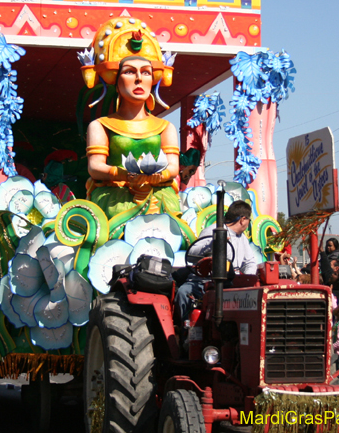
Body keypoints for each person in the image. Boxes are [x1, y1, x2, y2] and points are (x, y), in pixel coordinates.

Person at [84, 20, 180, 219]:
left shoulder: (165, 127)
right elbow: (95, 167)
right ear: (115, 82)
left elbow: (173, 167)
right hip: (115, 200)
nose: (139, 79)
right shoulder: (100, 126)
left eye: (145, 72)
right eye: (129, 72)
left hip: (159, 197)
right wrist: (124, 175)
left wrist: (156, 177)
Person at [173, 201, 257, 322]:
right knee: (184, 292)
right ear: (243, 220)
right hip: (204, 283)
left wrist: (246, 281)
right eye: (249, 220)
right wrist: (212, 243)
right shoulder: (212, 231)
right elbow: (192, 255)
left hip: (230, 284)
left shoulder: (242, 238)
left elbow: (250, 262)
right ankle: (187, 331)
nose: (249, 223)